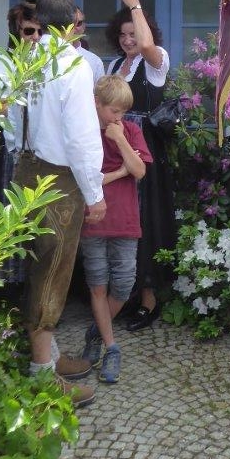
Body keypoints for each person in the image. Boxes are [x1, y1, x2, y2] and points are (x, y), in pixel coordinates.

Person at [13, 0, 106, 408]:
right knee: (52, 271)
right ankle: (41, 377)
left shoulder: (28, 57)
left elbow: (15, 120)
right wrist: (95, 193)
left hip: (26, 168)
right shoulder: (73, 63)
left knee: (36, 264)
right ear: (70, 24)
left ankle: (47, 355)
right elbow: (83, 138)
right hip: (58, 178)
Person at [105, 0, 176, 330]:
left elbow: (147, 46)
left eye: (133, 32)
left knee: (146, 218)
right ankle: (126, 292)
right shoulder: (113, 66)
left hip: (144, 144)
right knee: (121, 216)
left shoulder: (156, 59)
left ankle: (149, 299)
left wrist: (136, 8)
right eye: (123, 34)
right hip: (115, 144)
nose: (128, 39)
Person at [79, 75, 152, 383]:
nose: (119, 117)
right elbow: (87, 178)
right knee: (97, 285)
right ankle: (112, 348)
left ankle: (95, 333)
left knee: (123, 286)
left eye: (123, 111)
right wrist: (117, 172)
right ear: (96, 104)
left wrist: (120, 138)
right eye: (114, 111)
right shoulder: (84, 134)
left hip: (124, 221)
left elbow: (139, 171)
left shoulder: (131, 131)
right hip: (92, 221)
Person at [0, 2, 41, 295]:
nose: (35, 37)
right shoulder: (2, 63)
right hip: (9, 147)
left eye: (40, 31)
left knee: (30, 220)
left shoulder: (44, 65)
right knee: (5, 217)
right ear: (16, 32)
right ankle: (3, 289)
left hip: (36, 149)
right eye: (29, 31)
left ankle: (27, 286)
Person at [72, 6, 105, 83]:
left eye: (78, 23)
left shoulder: (95, 61)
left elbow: (101, 94)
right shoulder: (49, 58)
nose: (73, 28)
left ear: (84, 26)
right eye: (70, 23)